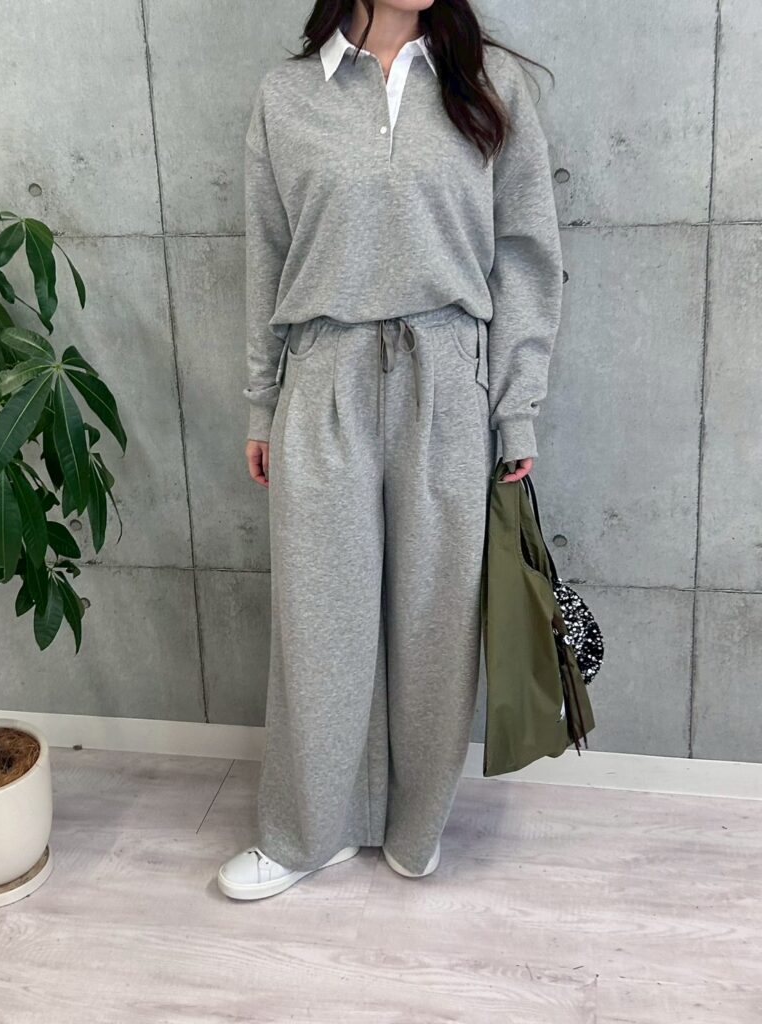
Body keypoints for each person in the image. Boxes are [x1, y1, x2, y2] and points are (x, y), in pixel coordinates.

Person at [217, 0, 563, 900]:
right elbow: (264, 257)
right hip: (323, 373)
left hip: (448, 376)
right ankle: (309, 833)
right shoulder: (288, 96)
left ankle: (416, 826)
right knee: (317, 620)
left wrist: (516, 410)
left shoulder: (488, 84)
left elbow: (526, 258)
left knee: (437, 620)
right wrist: (261, 405)